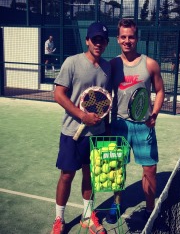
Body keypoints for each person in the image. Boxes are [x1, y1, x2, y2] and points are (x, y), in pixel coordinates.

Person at [50, 22, 111, 234]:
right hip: (71, 133)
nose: (98, 43)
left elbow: (106, 101)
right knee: (67, 176)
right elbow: (58, 94)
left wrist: (106, 128)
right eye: (94, 39)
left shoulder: (107, 67)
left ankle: (87, 217)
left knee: (90, 175)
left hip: (97, 133)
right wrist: (82, 115)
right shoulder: (72, 62)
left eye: (102, 40)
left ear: (106, 43)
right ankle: (59, 220)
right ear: (87, 41)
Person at [106, 19, 165, 224]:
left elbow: (160, 91)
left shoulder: (149, 64)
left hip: (144, 126)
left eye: (131, 36)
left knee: (149, 170)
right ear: (118, 39)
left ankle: (150, 209)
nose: (127, 40)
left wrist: (154, 114)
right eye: (123, 37)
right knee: (117, 168)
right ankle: (116, 203)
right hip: (119, 125)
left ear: (136, 38)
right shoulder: (112, 65)